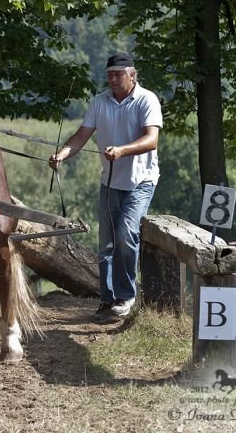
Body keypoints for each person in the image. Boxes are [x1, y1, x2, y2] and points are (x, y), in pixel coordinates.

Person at [48, 53, 162, 324]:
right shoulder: (100, 102)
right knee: (107, 244)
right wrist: (62, 155)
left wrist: (122, 150)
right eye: (109, 74)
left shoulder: (147, 100)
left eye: (118, 74)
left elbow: (151, 140)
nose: (112, 79)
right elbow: (81, 136)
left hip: (141, 181)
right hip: (110, 181)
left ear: (132, 75)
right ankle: (107, 300)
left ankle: (125, 296)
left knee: (125, 233)